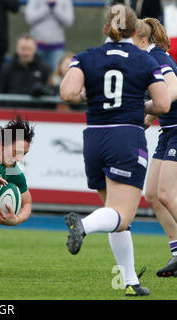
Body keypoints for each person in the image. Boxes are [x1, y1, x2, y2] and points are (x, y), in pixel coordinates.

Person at [59, 4, 170, 296]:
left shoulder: (85, 57)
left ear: (106, 29)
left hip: (94, 138)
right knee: (123, 214)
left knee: (114, 213)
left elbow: (68, 93)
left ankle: (130, 281)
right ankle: (82, 225)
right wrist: (135, 104)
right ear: (135, 31)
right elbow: (162, 105)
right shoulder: (144, 61)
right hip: (126, 138)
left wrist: (92, 96)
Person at [132, 18, 177, 278]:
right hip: (168, 131)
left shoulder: (158, 57)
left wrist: (145, 107)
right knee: (152, 195)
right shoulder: (148, 60)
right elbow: (156, 109)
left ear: (143, 41)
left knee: (167, 193)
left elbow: (173, 90)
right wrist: (138, 124)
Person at [0, 34, 53, 107]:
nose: (26, 53)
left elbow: (51, 95)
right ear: (17, 49)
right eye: (23, 49)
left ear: (35, 49)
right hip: (10, 114)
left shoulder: (44, 69)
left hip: (36, 115)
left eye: (29, 49)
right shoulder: (6, 69)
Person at [25, 0, 75, 72]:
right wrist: (47, 7)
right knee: (35, 75)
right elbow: (29, 18)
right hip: (37, 46)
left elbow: (69, 21)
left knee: (57, 77)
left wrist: (54, 7)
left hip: (57, 47)